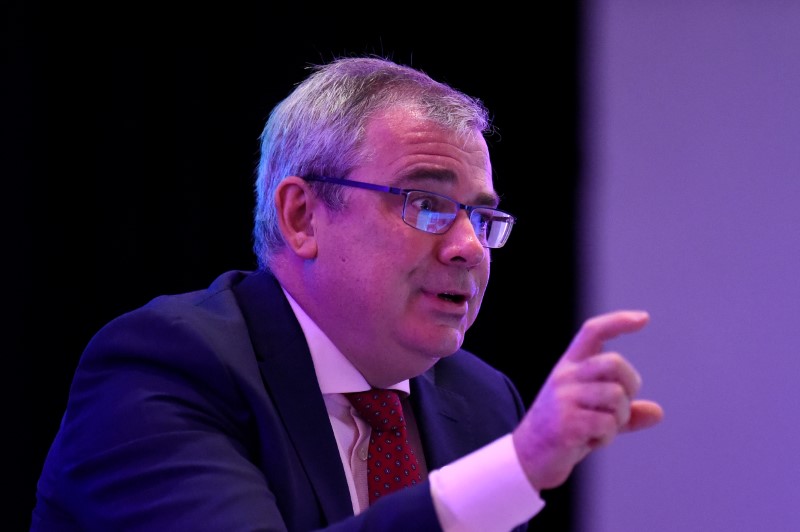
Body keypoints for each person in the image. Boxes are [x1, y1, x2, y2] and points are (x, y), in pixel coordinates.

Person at [31, 55, 664, 531]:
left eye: (481, 217)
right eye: (428, 203)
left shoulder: (482, 402)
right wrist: (515, 469)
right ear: (303, 217)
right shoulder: (166, 367)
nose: (469, 246)